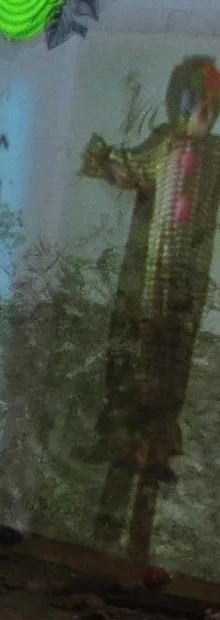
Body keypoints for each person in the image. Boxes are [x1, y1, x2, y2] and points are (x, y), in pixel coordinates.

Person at [78, 55, 220, 562]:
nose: (207, 110)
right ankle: (107, 531)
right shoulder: (164, 145)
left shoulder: (218, 159)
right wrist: (100, 160)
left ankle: (139, 534)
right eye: (199, 99)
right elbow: (126, 169)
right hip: (153, 291)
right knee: (139, 384)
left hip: (185, 297)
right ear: (181, 101)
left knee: (167, 389)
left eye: (212, 101)